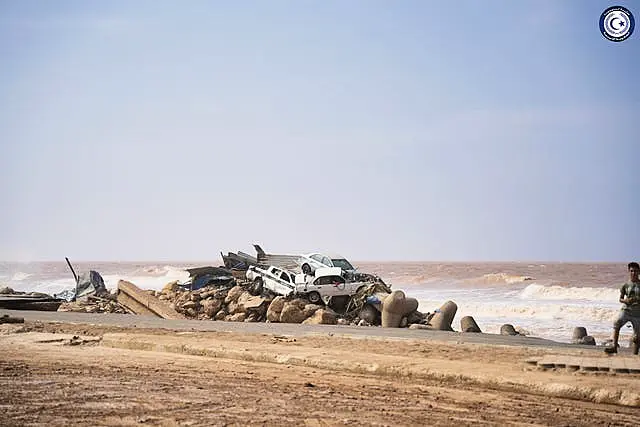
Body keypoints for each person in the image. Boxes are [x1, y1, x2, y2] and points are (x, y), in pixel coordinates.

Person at [604, 262, 640, 354]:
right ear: (629, 271)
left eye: (635, 271)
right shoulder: (625, 285)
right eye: (631, 271)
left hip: (638, 313)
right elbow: (620, 298)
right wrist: (626, 301)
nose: (633, 273)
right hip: (626, 310)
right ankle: (614, 347)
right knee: (617, 322)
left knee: (637, 336)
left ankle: (635, 353)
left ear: (639, 272)